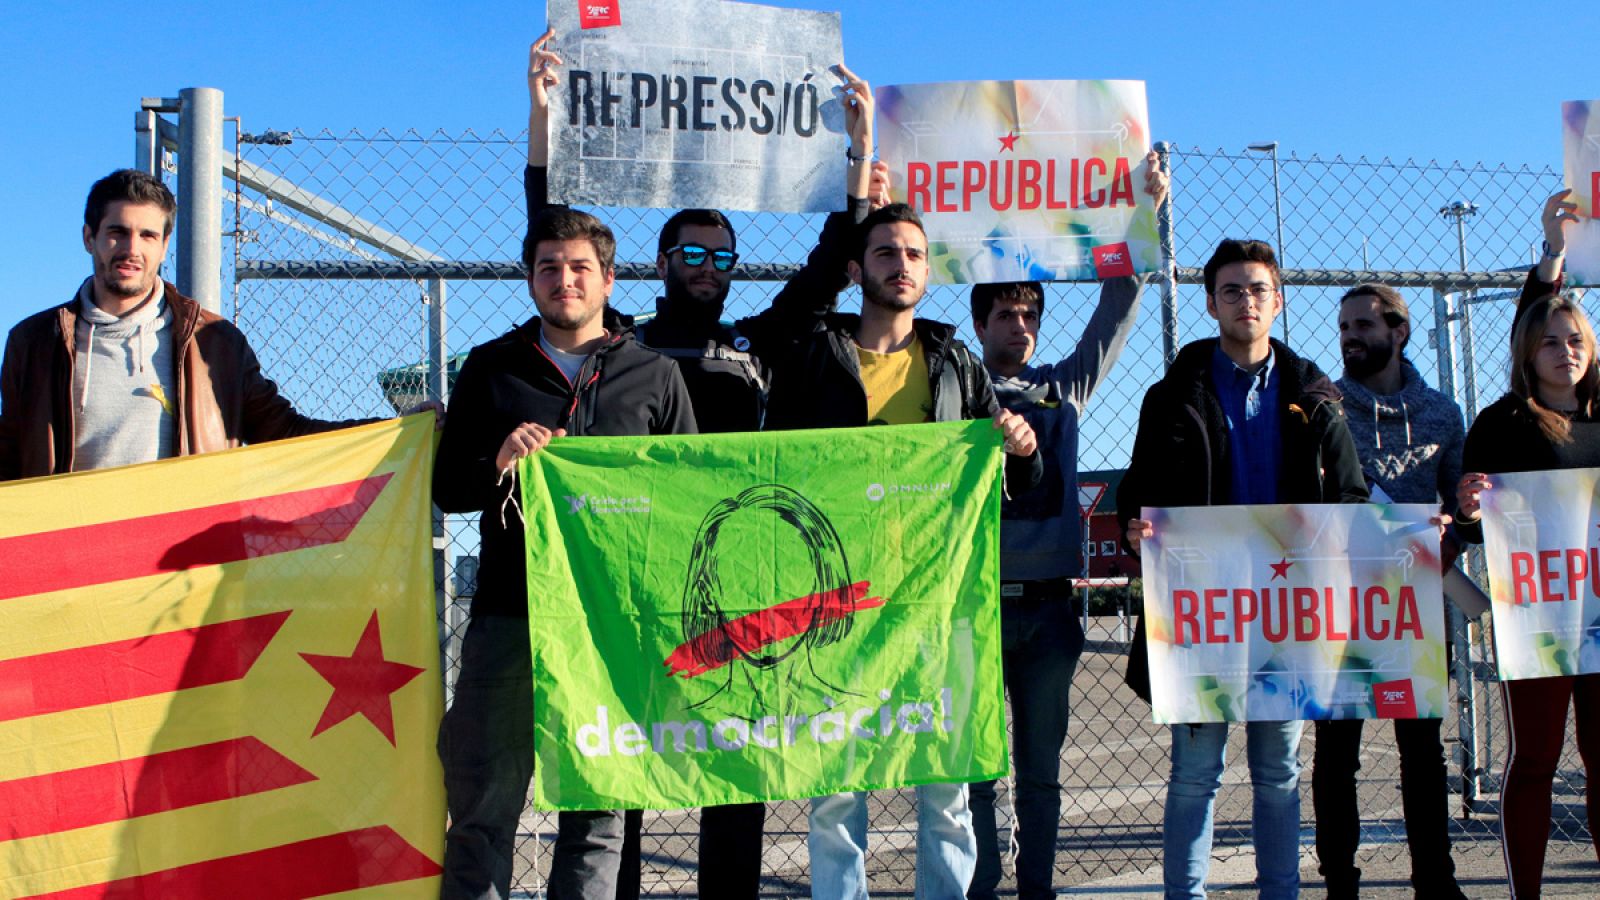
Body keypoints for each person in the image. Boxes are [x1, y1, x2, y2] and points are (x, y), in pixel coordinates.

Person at [523, 29, 890, 898]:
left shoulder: (756, 342)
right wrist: (541, 121)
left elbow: (835, 261)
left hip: (743, 582)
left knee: (738, 770)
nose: (706, 267)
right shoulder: (626, 347)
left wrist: (860, 150)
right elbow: (551, 236)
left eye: (721, 256)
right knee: (633, 768)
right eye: (689, 253)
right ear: (658, 263)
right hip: (640, 582)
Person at [431, 206, 697, 900]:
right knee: (483, 807)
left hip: (614, 625)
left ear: (608, 279)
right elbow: (449, 488)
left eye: (579, 267)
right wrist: (497, 459)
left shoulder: (655, 376)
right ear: (529, 279)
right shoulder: (490, 368)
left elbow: (686, 500)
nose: (564, 279)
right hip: (509, 614)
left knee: (599, 810)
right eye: (548, 266)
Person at [1117, 238, 1368, 899]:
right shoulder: (1170, 396)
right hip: (1204, 614)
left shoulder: (1318, 399)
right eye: (1232, 290)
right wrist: (1135, 524)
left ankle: (1278, 893)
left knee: (1278, 772)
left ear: (1278, 301)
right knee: (1196, 772)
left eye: (1258, 289)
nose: (1246, 300)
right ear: (1211, 304)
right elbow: (1134, 493)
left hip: (1288, 616)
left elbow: (1350, 499)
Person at [964, 153, 1165, 900]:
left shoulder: (1064, 388)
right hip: (976, 606)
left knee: (1040, 774)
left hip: (1050, 609)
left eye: (1029, 315)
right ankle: (982, 885)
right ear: (979, 321)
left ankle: (1037, 888)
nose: (1019, 326)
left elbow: (1120, 300)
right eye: (1005, 314)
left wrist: (1142, 212)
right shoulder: (953, 384)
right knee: (980, 772)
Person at [0, 169, 407, 481]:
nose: (131, 249)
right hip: (69, 566)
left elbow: (283, 431)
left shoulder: (214, 344)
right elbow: (10, 455)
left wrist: (399, 431)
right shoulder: (35, 341)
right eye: (117, 233)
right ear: (89, 238)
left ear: (163, 246)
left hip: (181, 567)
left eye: (147, 235)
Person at [1455, 188, 1599, 900]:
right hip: (1539, 619)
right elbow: (1472, 514)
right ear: (1526, 351)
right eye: (1549, 341)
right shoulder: (1510, 421)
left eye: (1577, 339)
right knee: (1536, 758)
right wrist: (1470, 506)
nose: (1564, 351)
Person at [1310, 282, 1468, 899]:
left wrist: (1453, 536)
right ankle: (1340, 883)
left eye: (1365, 326)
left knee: (1421, 750)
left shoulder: (1442, 413)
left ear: (1399, 333)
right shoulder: (1323, 406)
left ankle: (1436, 878)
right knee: (1338, 749)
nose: (1352, 337)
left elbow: (1461, 505)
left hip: (1414, 604)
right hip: (1339, 602)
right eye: (1345, 327)